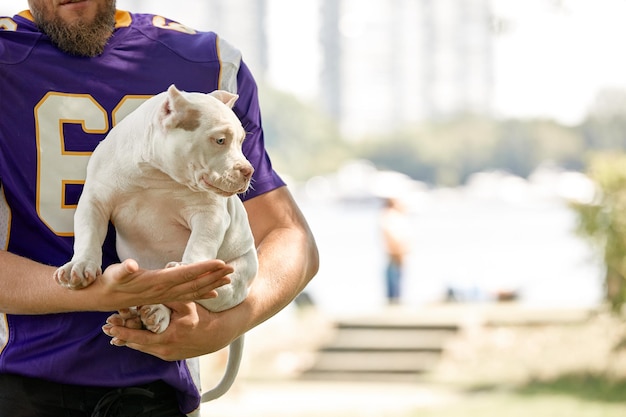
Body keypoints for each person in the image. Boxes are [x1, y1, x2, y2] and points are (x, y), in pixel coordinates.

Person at [0, 1, 319, 416]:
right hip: (18, 382)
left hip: (158, 389)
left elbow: (289, 236)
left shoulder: (209, 62)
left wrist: (227, 321)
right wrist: (96, 293)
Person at [380, 197, 411, 304]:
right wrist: (399, 250)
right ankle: (394, 304)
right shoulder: (390, 216)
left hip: (397, 253)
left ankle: (396, 303)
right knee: (394, 284)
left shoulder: (393, 216)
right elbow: (393, 237)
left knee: (397, 283)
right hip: (395, 254)